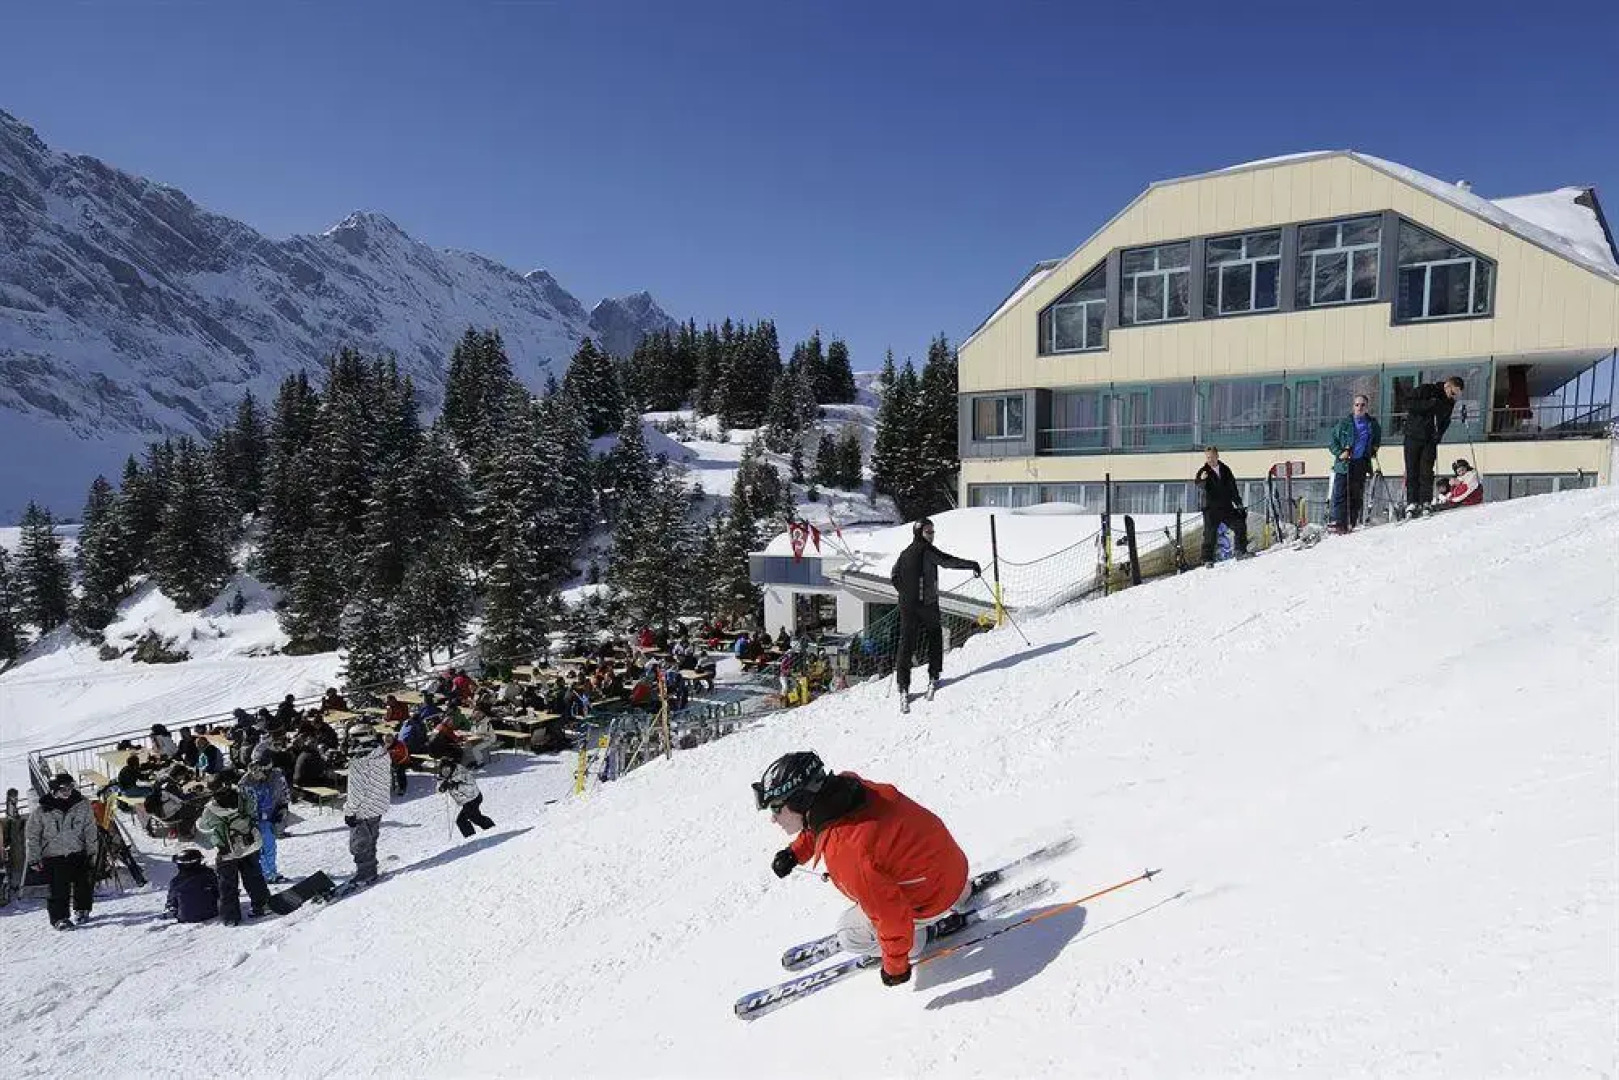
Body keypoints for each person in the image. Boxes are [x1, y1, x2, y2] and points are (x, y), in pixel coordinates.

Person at [758, 752, 970, 988]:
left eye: (776, 808)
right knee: (887, 872)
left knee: (849, 934)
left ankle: (918, 940)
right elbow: (823, 821)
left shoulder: (846, 850)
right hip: (951, 867)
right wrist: (796, 853)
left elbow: (891, 916)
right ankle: (961, 894)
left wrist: (895, 967)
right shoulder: (849, 789)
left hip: (932, 899)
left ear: (799, 801)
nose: (774, 819)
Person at [888, 519, 980, 712]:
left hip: (907, 605)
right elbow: (947, 561)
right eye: (928, 532)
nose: (931, 535)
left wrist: (905, 593)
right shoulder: (927, 550)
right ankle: (934, 675)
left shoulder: (904, 553)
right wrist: (972, 564)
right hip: (926, 604)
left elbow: (894, 575)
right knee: (935, 637)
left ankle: (903, 685)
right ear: (919, 533)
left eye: (932, 532)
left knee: (906, 644)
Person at [24, 773, 99, 930]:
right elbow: (33, 835)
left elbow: (90, 828)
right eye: (63, 789)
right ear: (54, 790)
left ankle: (82, 909)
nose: (67, 792)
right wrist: (34, 858)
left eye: (70, 788)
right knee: (58, 888)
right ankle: (60, 918)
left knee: (83, 883)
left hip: (77, 850)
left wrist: (92, 851)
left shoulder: (82, 805)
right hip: (54, 854)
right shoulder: (42, 810)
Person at [197, 786, 272, 925]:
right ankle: (263, 905)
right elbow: (253, 812)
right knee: (254, 877)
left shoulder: (210, 811)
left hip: (227, 851)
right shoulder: (243, 800)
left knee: (227, 884)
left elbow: (202, 826)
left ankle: (231, 917)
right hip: (248, 846)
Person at [1401, 376, 1464, 517]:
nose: (1452, 396)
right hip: (1413, 435)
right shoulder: (1427, 389)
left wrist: (1439, 435)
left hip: (1430, 439)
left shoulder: (1449, 403)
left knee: (1426, 471)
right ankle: (1412, 502)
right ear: (1447, 385)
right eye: (1452, 393)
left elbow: (1445, 421)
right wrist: (1429, 404)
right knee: (1412, 469)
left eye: (1456, 395)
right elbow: (1408, 403)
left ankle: (1426, 502)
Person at [342, 725, 392, 886]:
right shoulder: (381, 754)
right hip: (378, 804)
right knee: (372, 836)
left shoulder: (360, 762)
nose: (351, 743)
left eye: (353, 739)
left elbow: (356, 791)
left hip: (363, 809)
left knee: (359, 843)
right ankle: (371, 866)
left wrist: (350, 812)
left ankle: (365, 873)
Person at [1328, 394, 1382, 532]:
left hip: (1360, 463)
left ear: (1366, 407)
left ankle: (1351, 521)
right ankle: (1339, 522)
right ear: (1353, 407)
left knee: (1356, 494)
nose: (1359, 407)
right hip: (1345, 464)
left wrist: (1373, 450)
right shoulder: (1344, 424)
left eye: (1362, 405)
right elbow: (1332, 441)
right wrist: (1340, 452)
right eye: (1357, 405)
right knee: (1340, 493)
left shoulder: (1372, 424)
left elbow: (1377, 439)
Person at [1194, 446, 1249, 564]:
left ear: (1217, 456)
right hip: (1210, 508)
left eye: (1212, 457)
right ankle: (1207, 559)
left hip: (1226, 506)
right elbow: (1198, 485)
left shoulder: (1225, 469)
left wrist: (1238, 503)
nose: (1210, 460)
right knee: (1210, 534)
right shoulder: (1203, 471)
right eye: (1208, 457)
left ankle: (1240, 551)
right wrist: (1202, 480)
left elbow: (1233, 487)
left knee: (1239, 525)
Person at [240, 763, 291, 885]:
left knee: (270, 847)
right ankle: (266, 874)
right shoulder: (245, 784)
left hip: (269, 818)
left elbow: (280, 794)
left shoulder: (269, 780)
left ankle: (271, 873)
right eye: (256, 773)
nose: (259, 775)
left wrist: (282, 808)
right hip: (254, 821)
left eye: (261, 772)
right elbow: (243, 806)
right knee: (260, 849)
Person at [436, 758, 495, 839]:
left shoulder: (461, 772)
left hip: (474, 798)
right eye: (443, 770)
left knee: (470, 819)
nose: (446, 772)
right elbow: (438, 788)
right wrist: (441, 788)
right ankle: (474, 836)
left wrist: (456, 785)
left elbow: (471, 787)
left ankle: (490, 830)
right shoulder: (443, 776)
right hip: (465, 802)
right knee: (465, 820)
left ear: (451, 767)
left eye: (447, 769)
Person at [164, 848, 220, 924]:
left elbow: (171, 902)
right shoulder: (209, 874)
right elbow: (219, 891)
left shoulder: (176, 881)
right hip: (211, 913)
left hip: (186, 917)